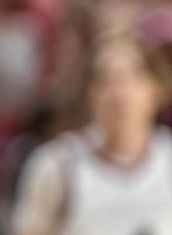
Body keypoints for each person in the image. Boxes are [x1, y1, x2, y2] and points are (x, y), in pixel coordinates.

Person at [12, 35, 172, 235]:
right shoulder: (57, 166)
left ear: (157, 90)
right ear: (91, 93)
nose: (119, 93)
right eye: (106, 81)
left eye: (132, 78)